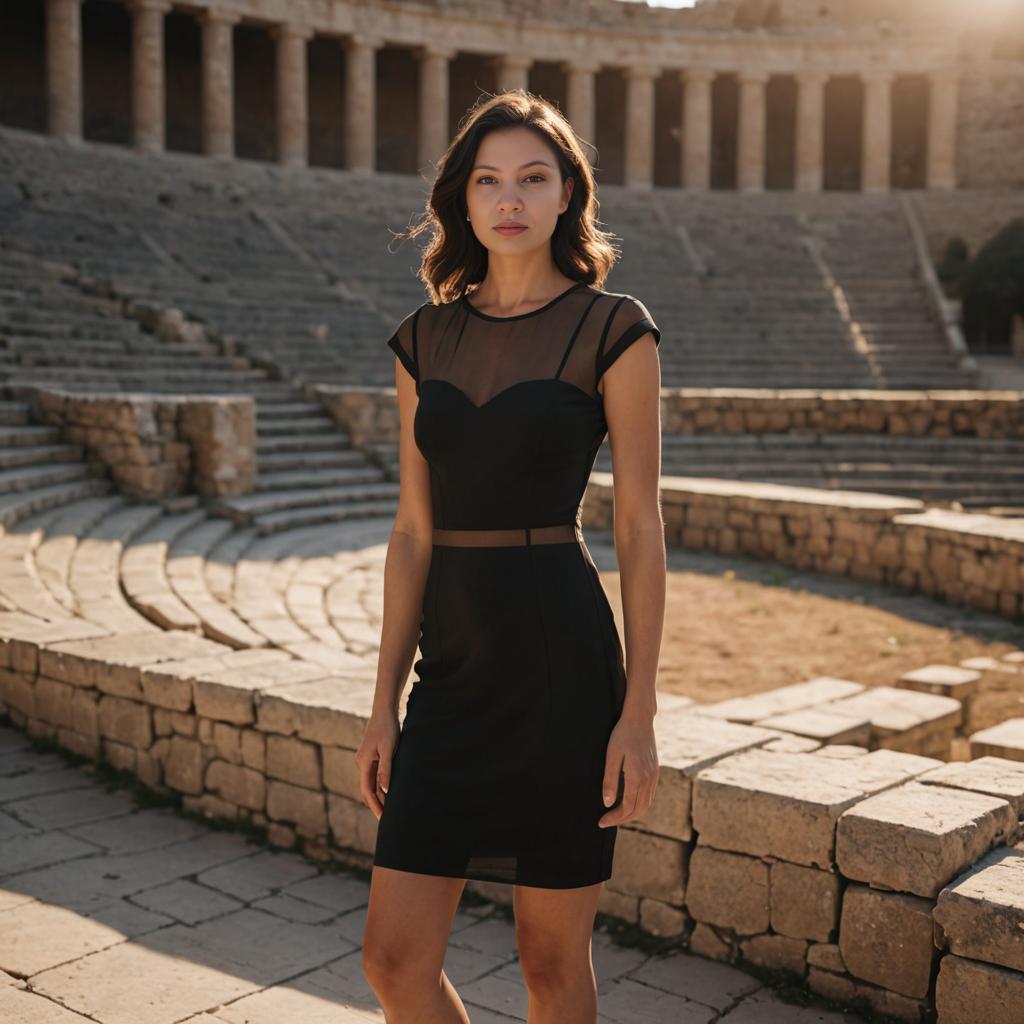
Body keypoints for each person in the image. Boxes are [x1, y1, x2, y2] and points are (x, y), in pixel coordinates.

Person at [357, 88, 666, 1023]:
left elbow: (641, 527)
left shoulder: (614, 328)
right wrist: (381, 702)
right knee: (392, 961)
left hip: (561, 670)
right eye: (488, 180)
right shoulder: (422, 339)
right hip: (449, 676)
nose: (510, 199)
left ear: (568, 192)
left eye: (534, 177)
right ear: (463, 198)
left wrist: (640, 712)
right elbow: (412, 531)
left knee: (549, 962)